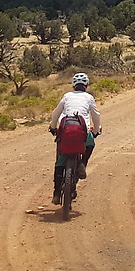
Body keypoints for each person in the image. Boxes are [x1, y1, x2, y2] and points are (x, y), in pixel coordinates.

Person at [48, 72, 101, 204]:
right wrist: (96, 130)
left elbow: (56, 113)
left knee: (60, 160)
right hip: (82, 132)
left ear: (73, 85)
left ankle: (56, 193)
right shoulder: (89, 98)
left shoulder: (67, 96)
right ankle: (82, 163)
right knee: (90, 144)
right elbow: (96, 116)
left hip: (65, 130)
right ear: (86, 85)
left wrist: (53, 127)